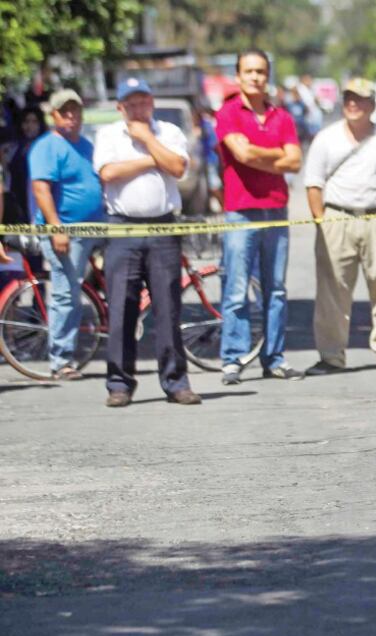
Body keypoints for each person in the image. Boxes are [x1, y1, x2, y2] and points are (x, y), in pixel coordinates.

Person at [93, 78, 201, 407]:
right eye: (131, 104)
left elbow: (178, 167)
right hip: (123, 229)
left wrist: (147, 139)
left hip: (163, 229)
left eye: (143, 102)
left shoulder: (168, 132)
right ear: (120, 107)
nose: (138, 109)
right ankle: (119, 384)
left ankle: (175, 381)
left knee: (168, 309)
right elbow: (108, 173)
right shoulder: (108, 134)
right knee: (122, 308)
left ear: (151, 102)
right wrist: (154, 158)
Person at [302, 78, 376, 375]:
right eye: (349, 98)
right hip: (337, 216)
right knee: (331, 290)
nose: (353, 104)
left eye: (361, 99)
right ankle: (330, 355)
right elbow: (313, 183)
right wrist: (321, 222)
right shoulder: (326, 138)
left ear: (373, 105)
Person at [215, 49, 304, 385]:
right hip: (242, 211)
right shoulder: (228, 113)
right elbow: (241, 153)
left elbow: (294, 162)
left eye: (261, 72)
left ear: (268, 76)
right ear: (238, 76)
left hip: (276, 210)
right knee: (236, 288)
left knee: (276, 290)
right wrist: (276, 155)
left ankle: (274, 358)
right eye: (249, 71)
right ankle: (232, 359)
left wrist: (260, 156)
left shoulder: (282, 117)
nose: (255, 77)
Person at [28, 89, 105, 380]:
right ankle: (61, 359)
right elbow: (41, 189)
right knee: (66, 294)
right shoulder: (47, 147)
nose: (71, 116)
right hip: (64, 232)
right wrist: (56, 227)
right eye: (65, 111)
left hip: (94, 229)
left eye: (75, 110)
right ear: (54, 115)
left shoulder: (86, 146)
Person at [2, 106, 46, 225]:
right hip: (17, 202)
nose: (30, 126)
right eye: (26, 121)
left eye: (34, 122)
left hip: (40, 202)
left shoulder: (47, 146)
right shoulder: (12, 147)